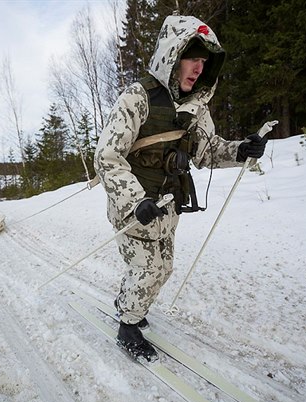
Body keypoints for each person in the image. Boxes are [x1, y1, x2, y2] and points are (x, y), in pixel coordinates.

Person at [93, 15, 269, 363]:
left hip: (168, 207)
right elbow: (107, 156)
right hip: (135, 208)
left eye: (204, 62)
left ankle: (129, 301)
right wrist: (135, 200)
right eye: (192, 59)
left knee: (165, 266)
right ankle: (128, 324)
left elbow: (207, 151)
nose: (198, 69)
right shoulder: (137, 97)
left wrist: (239, 150)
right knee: (149, 269)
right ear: (172, 56)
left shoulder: (196, 108)